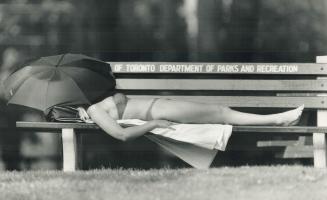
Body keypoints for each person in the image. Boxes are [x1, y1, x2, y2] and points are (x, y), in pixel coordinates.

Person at [77, 93, 304, 142]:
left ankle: (278, 119)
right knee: (221, 112)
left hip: (163, 106)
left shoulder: (94, 104)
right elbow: (122, 134)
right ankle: (278, 119)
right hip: (160, 113)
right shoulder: (95, 112)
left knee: (221, 111)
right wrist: (153, 123)